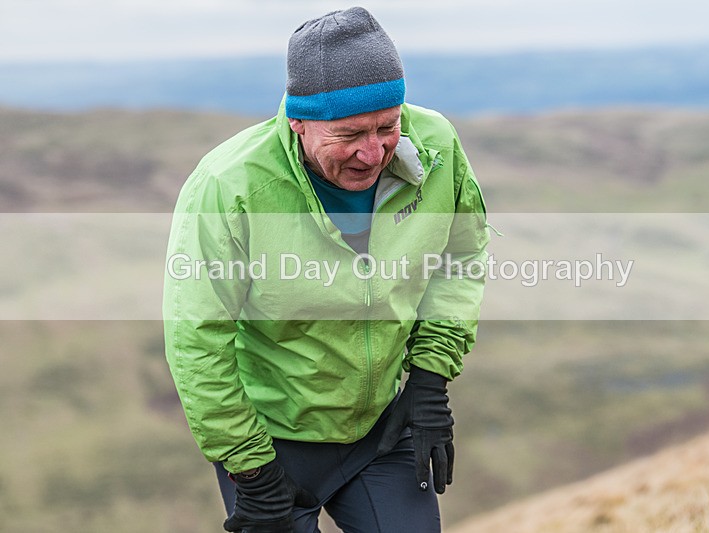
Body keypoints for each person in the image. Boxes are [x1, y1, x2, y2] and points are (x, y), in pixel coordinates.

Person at [163, 7, 490, 533]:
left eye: (388, 126)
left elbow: (460, 255)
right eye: (349, 134)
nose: (373, 152)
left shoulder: (436, 146)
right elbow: (197, 338)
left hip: (383, 429)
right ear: (298, 121)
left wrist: (430, 378)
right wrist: (250, 469)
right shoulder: (230, 186)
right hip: (271, 444)